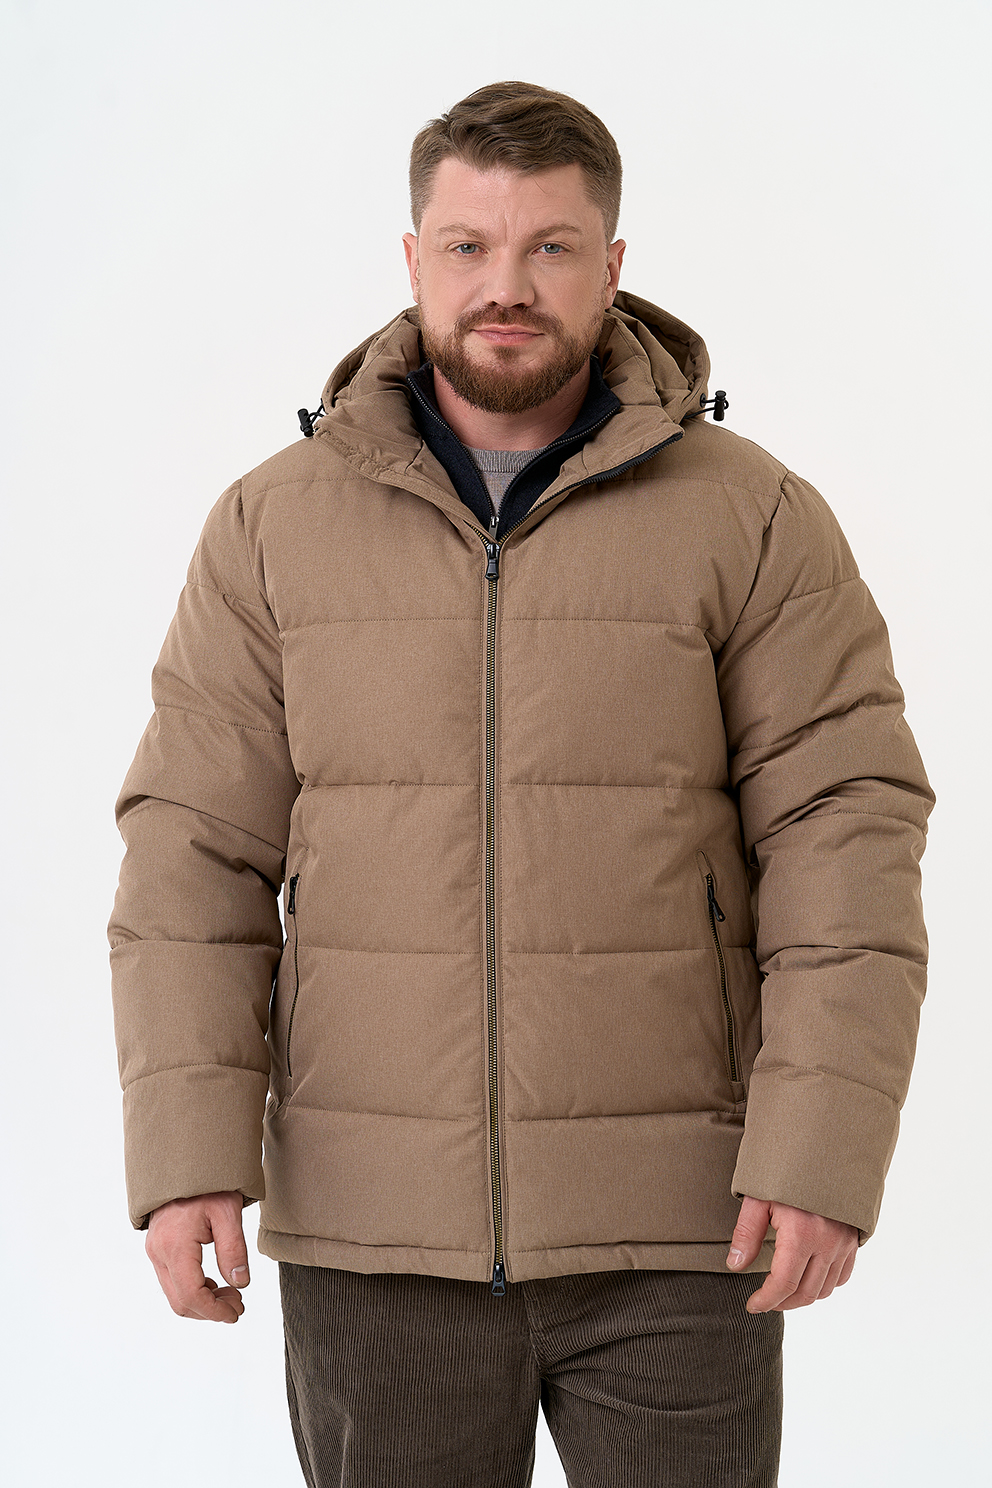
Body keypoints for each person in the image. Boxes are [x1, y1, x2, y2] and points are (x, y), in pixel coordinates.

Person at [109, 80, 934, 1487]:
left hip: (684, 1229)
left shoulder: (752, 516)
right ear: (412, 260)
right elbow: (194, 856)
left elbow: (844, 831)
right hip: (379, 1235)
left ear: (611, 266)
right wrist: (187, 1153)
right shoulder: (271, 527)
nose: (508, 285)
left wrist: (821, 1152)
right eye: (469, 245)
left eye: (551, 246)